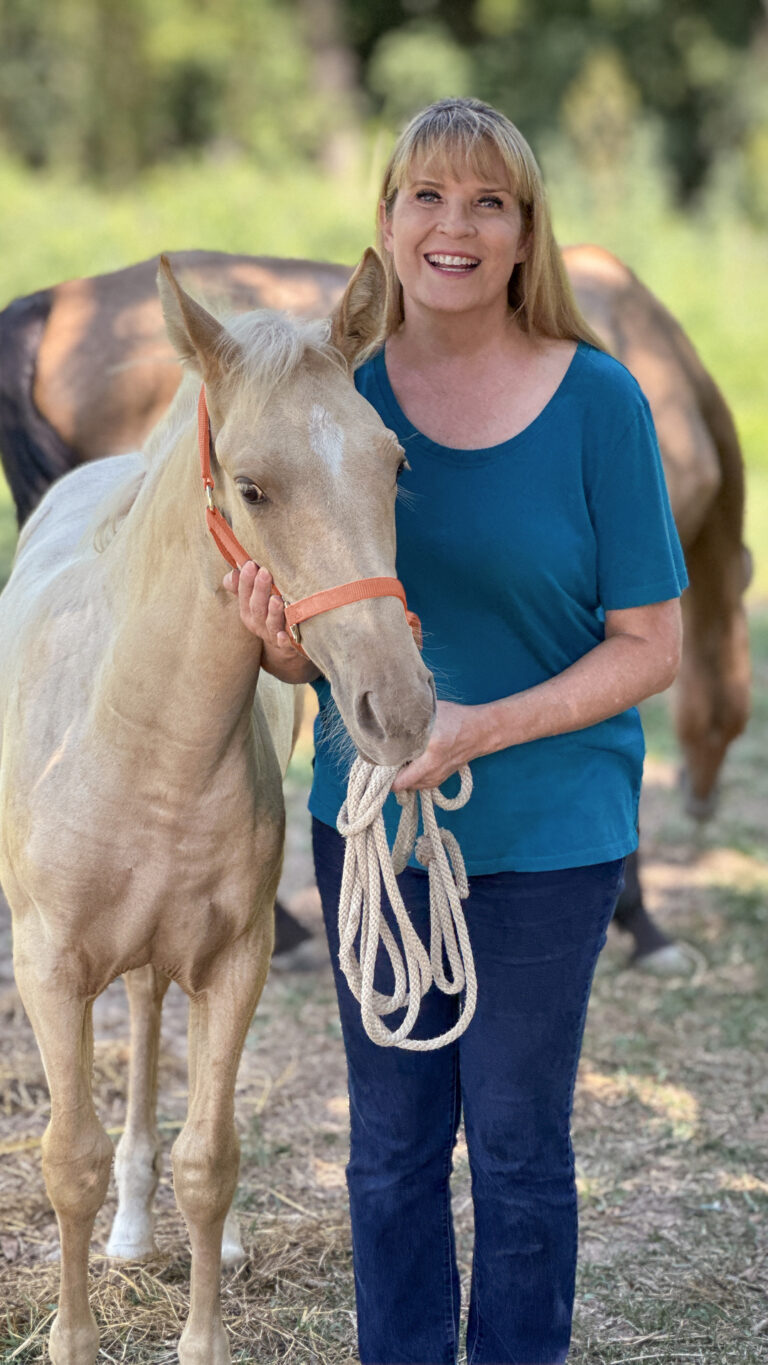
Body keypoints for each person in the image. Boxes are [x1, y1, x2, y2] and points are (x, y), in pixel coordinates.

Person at [225, 98, 686, 1365]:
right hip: (374, 830)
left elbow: (653, 645)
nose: (455, 226)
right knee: (389, 1150)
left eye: (489, 202)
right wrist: (275, 639)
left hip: (549, 837)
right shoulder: (336, 401)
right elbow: (314, 636)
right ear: (385, 224)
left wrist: (478, 729)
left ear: (527, 235)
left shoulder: (600, 404)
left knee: (522, 1147)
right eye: (426, 196)